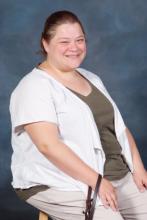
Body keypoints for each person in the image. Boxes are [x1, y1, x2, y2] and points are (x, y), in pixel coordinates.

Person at [9, 10, 147, 220]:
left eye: (80, 40)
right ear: (45, 44)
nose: (74, 48)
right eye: (64, 41)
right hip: (59, 180)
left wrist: (138, 168)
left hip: (117, 173)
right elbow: (48, 146)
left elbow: (118, 127)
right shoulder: (33, 87)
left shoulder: (91, 78)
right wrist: (98, 181)